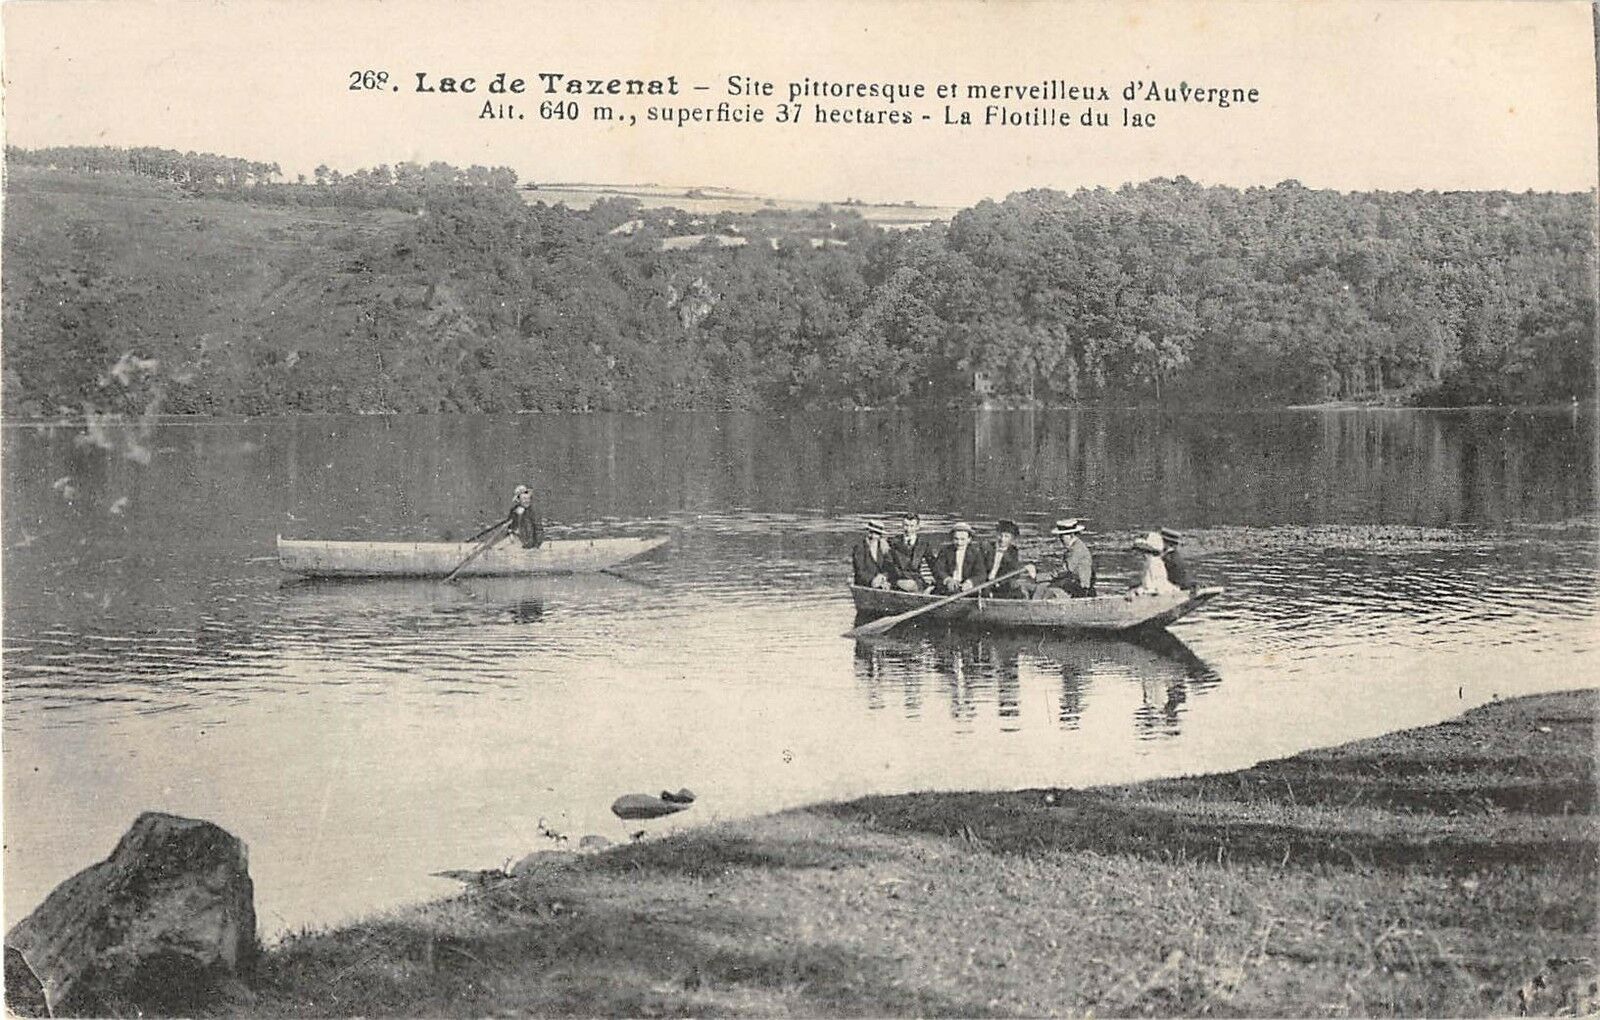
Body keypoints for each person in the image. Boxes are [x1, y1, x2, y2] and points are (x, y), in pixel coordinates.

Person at [1031, 518, 1095, 599]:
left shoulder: (1077, 549)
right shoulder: (1073, 548)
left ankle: (1035, 604)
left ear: (1071, 535)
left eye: (1062, 536)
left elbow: (1065, 570)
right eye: (1060, 536)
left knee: (1045, 589)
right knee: (1042, 587)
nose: (1060, 539)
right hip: (1072, 583)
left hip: (1080, 588)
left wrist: (1041, 577)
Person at [979, 519, 1036, 598]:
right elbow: (979, 569)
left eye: (1006, 536)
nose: (1002, 539)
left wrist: (999, 582)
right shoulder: (986, 548)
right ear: (996, 535)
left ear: (1011, 539)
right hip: (983, 584)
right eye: (1000, 535)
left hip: (1001, 585)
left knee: (1017, 592)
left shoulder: (1013, 552)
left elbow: (1014, 573)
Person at [884, 512, 936, 592]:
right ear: (902, 525)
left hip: (916, 581)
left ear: (917, 527)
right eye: (906, 525)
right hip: (897, 580)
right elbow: (888, 565)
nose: (908, 529)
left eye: (912, 526)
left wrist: (939, 581)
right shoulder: (893, 542)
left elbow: (933, 565)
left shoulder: (923, 544)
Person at [932, 521, 982, 594]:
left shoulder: (976, 553)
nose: (959, 543)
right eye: (956, 539)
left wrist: (970, 582)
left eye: (962, 539)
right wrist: (948, 579)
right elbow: (938, 569)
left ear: (969, 539)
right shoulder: (945, 551)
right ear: (952, 538)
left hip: (967, 589)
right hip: (947, 587)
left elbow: (981, 573)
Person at [1129, 531, 1180, 595]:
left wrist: (1139, 591)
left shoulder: (1154, 563)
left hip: (1160, 593)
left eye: (1140, 550)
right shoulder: (1151, 562)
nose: (1138, 554)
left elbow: (1154, 586)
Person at [850, 518, 893, 589]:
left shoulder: (884, 547)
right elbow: (860, 571)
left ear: (880, 535)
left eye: (876, 533)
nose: (872, 536)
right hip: (865, 584)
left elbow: (890, 566)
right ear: (867, 532)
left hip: (882, 582)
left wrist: (883, 577)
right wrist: (872, 581)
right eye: (870, 532)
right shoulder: (859, 547)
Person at [505, 484, 544, 549]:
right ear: (518, 500)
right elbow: (510, 526)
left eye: (528, 499)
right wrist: (510, 533)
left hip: (530, 545)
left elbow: (539, 530)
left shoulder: (533, 512)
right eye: (524, 499)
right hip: (517, 543)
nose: (527, 501)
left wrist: (536, 546)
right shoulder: (513, 511)